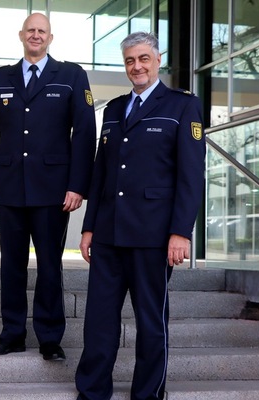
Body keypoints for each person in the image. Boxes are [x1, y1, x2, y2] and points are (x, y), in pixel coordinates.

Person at [75, 32, 205, 400]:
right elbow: (101, 172)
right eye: (130, 60)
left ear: (158, 60)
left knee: (150, 321)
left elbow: (191, 175)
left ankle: (148, 394)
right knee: (99, 318)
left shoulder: (182, 106)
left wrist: (181, 232)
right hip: (109, 233)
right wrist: (89, 227)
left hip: (154, 234)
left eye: (144, 58)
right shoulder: (114, 109)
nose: (137, 66)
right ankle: (92, 390)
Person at [0, 13, 96, 361]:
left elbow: (84, 132)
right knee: (11, 265)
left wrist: (78, 186)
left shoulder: (72, 76)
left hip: (54, 191)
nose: (36, 35)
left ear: (50, 38)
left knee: (50, 265)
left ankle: (50, 338)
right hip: (8, 189)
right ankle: (12, 333)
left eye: (42, 31)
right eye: (31, 30)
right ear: (21, 35)